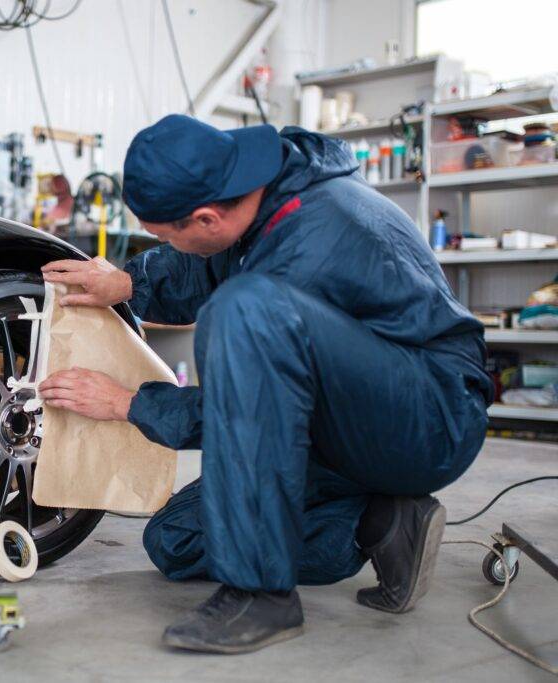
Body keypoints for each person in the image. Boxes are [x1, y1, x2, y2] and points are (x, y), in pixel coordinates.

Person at [37, 115, 491, 654]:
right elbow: (204, 264)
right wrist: (128, 282)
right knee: (176, 540)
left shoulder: (310, 244)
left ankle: (261, 596)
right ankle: (378, 523)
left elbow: (237, 410)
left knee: (242, 311)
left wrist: (127, 403)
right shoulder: (261, 194)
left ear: (207, 217)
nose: (167, 244)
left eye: (166, 236)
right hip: (346, 413)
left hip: (428, 416)